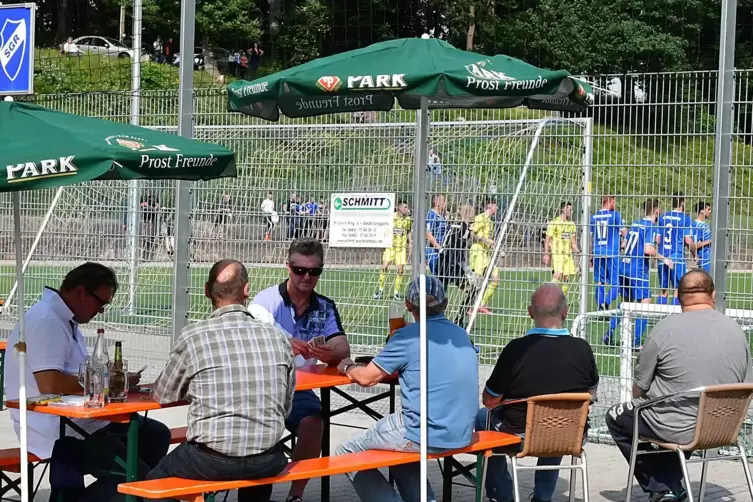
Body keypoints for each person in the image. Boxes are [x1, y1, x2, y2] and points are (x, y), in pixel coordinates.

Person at [4, 263, 171, 502]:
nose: (100, 311)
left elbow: (78, 374)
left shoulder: (62, 320)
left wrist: (110, 380)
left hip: (77, 421)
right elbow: (51, 383)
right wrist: (106, 384)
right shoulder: (46, 321)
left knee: (155, 434)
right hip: (55, 427)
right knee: (139, 477)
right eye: (100, 303)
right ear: (81, 291)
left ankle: (114, 490)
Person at [147, 260, 295, 502]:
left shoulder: (193, 336)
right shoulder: (277, 338)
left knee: (154, 483)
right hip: (269, 458)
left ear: (206, 290)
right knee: (258, 462)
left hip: (211, 459)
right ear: (247, 290)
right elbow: (286, 407)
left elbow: (163, 394)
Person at [605, 269, 752, 502]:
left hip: (676, 426)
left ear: (677, 295)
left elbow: (639, 388)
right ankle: (669, 486)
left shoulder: (664, 329)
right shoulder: (737, 331)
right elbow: (747, 384)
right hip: (723, 425)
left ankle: (662, 487)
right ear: (712, 295)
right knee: (681, 416)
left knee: (617, 417)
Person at [335, 276, 479, 502]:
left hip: (424, 431)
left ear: (408, 305)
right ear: (446, 303)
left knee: (346, 452)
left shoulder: (407, 336)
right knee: (400, 455)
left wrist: (345, 365)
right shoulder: (461, 335)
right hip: (461, 431)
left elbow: (366, 379)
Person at [476, 283, 599, 502]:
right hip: (570, 435)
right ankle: (543, 497)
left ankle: (501, 494)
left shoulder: (516, 350)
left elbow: (489, 400)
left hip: (518, 435)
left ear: (530, 312)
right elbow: (590, 394)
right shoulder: (583, 349)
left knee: (481, 417)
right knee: (561, 420)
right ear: (566, 311)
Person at [251, 238, 351, 502]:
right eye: (299, 270)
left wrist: (332, 353)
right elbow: (256, 338)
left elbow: (342, 346)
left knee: (314, 422)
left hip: (299, 388)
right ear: (288, 267)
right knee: (262, 429)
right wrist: (284, 342)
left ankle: (295, 495)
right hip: (263, 387)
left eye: (314, 271)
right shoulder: (265, 301)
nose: (307, 276)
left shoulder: (325, 306)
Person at [603, 198, 670, 347]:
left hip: (624, 265)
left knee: (625, 303)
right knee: (645, 303)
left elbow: (625, 243)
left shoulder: (635, 223)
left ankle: (608, 334)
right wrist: (664, 258)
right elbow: (648, 250)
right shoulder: (650, 227)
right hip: (637, 269)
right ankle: (636, 342)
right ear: (657, 211)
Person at [437, 204, 477, 325]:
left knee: (471, 290)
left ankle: (457, 319)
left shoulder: (464, 227)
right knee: (440, 295)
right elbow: (452, 246)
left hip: (450, 263)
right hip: (447, 263)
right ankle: (452, 320)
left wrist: (465, 267)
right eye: (472, 213)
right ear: (469, 214)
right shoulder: (459, 226)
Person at [657, 193, 696, 305]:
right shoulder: (685, 219)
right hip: (676, 257)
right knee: (677, 290)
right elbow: (688, 240)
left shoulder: (663, 217)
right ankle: (674, 317)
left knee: (663, 291)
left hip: (662, 257)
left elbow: (658, 239)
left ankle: (661, 319)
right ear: (682, 203)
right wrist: (695, 254)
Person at [590, 195, 627, 311]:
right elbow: (625, 233)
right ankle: (605, 303)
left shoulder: (594, 217)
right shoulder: (615, 215)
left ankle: (601, 309)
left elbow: (590, 237)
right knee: (616, 283)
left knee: (599, 282)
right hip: (612, 253)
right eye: (614, 201)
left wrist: (591, 253)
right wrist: (625, 243)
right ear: (609, 202)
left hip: (597, 251)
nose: (615, 204)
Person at [375, 201, 412, 300]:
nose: (406, 209)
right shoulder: (391, 217)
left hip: (401, 248)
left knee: (400, 270)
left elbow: (408, 231)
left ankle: (396, 292)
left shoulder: (407, 219)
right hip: (390, 246)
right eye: (405, 207)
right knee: (384, 267)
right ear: (399, 208)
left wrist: (410, 242)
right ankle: (380, 290)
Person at [469, 198, 500, 314]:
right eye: (496, 206)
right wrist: (485, 240)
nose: (497, 208)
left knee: (495, 279)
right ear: (490, 205)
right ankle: (470, 306)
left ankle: (481, 305)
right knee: (476, 282)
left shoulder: (490, 222)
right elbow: (471, 234)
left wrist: (492, 245)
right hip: (478, 251)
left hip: (486, 254)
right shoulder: (480, 218)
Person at [543, 201, 580, 294]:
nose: (572, 212)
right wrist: (546, 253)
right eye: (570, 209)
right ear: (563, 209)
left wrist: (579, 252)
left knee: (566, 281)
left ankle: (561, 303)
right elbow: (547, 239)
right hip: (557, 253)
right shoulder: (554, 222)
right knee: (558, 274)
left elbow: (573, 243)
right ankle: (547, 294)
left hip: (567, 255)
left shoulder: (571, 224)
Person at [425, 194, 448, 275]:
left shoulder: (443, 216)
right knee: (438, 276)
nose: (445, 203)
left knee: (444, 277)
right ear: (437, 202)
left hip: (443, 250)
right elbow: (428, 234)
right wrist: (439, 247)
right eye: (444, 201)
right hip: (434, 251)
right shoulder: (431, 215)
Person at [693, 201, 712, 273]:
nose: (710, 211)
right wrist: (710, 241)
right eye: (708, 209)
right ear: (702, 211)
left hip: (710, 258)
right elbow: (695, 245)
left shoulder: (705, 224)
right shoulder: (696, 225)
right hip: (705, 259)